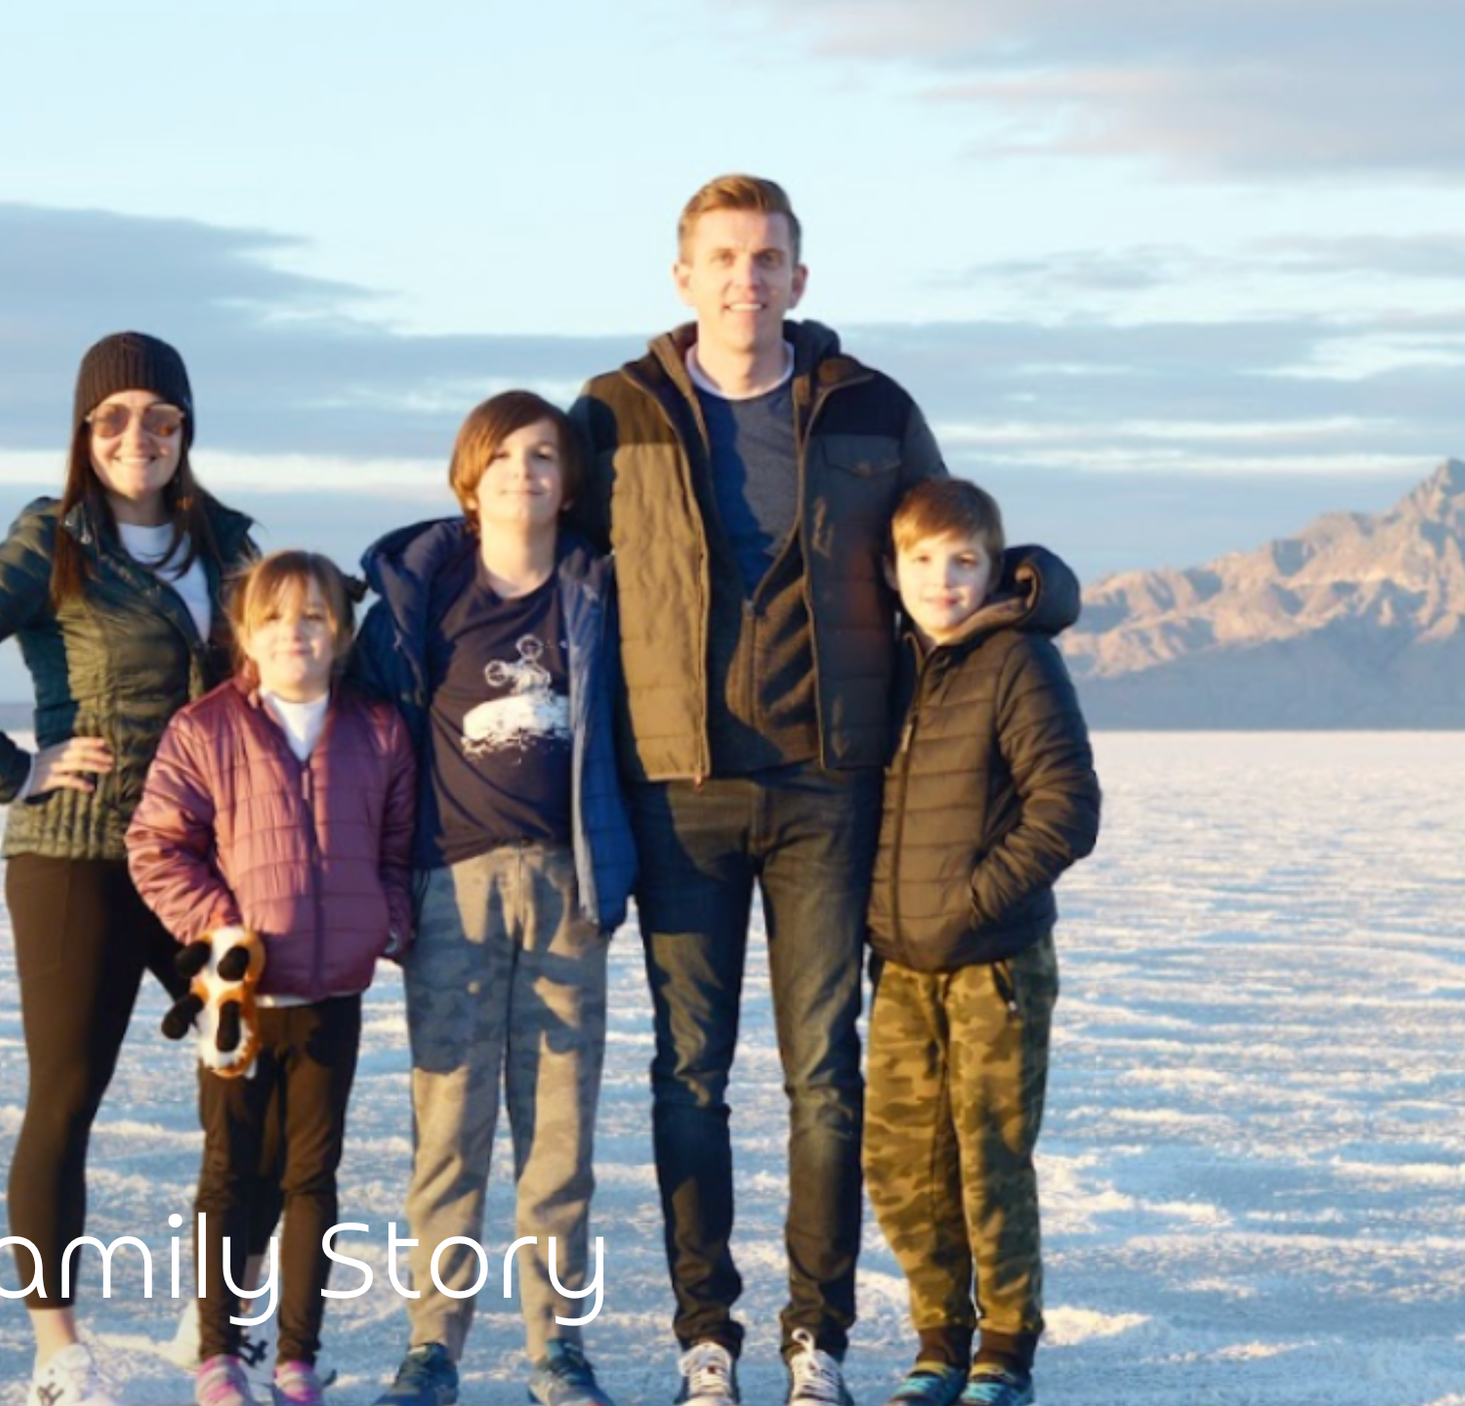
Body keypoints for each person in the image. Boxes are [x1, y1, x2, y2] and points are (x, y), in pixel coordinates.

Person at [568, 174, 946, 1406]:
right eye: (723, 257)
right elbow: (533, 559)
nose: (746, 278)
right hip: (680, 790)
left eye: (767, 257)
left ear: (800, 276)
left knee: (821, 1071)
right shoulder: (613, 413)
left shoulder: (869, 409)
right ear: (682, 277)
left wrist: (1034, 591)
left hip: (827, 788)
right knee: (688, 1071)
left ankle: (814, 1335)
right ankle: (705, 1334)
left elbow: (953, 543)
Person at [0, 331, 256, 1406]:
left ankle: (214, 1312)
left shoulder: (229, 545)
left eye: (160, 417)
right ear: (84, 433)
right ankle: (59, 1347)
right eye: (113, 418)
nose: (137, 437)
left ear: (186, 431)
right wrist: (13, 769)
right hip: (79, 851)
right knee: (67, 1093)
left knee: (252, 1073)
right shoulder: (50, 542)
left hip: (204, 858)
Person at [352, 392, 637, 1406]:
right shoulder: (419, 600)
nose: (524, 469)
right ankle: (433, 1343)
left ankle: (555, 1345)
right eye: (503, 453)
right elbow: (361, 738)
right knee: (451, 1127)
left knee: (557, 1133)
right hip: (449, 891)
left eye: (545, 453)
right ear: (468, 475)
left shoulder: (596, 588)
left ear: (569, 479)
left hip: (567, 883)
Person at [126, 550, 418, 1406]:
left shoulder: (377, 729)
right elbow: (157, 847)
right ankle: (219, 1353)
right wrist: (219, 930)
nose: (296, 633)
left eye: (315, 617)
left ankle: (297, 1356)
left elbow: (397, 852)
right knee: (228, 1173)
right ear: (246, 636)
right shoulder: (206, 728)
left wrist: (385, 924)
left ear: (343, 633)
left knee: (310, 1180)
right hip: (239, 1003)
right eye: (275, 618)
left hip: (332, 999)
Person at [863, 480, 1100, 1406]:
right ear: (892, 569)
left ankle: (1004, 1350)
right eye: (922, 561)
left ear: (994, 567)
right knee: (900, 1161)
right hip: (901, 966)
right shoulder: (890, 666)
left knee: (989, 1156)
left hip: (993, 963)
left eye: (965, 562)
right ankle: (937, 1343)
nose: (944, 580)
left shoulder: (1017, 663)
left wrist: (971, 904)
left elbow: (1067, 811)